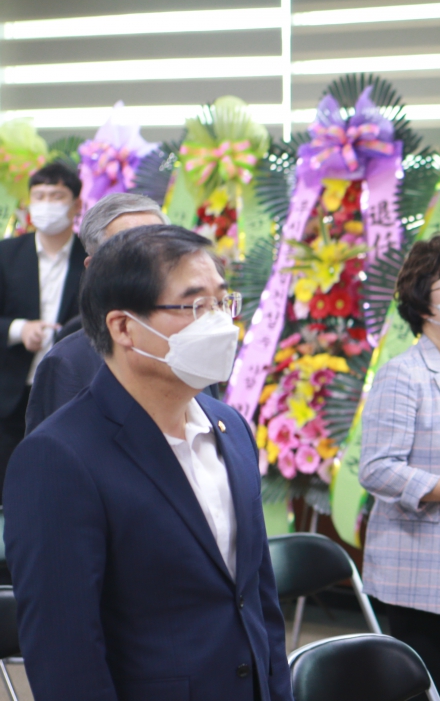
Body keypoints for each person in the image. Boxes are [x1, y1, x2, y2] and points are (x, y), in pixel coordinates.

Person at [3, 225, 291, 701]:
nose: (220, 321)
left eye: (222, 301)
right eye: (195, 305)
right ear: (123, 327)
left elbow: (258, 599)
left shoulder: (230, 427)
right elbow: (65, 652)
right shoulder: (60, 456)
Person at [359, 235, 440, 701]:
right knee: (429, 689)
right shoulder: (403, 374)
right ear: (424, 306)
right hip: (421, 569)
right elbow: (376, 468)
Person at [25, 192, 170, 434]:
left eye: (160, 247)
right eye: (130, 250)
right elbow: (49, 460)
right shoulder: (69, 363)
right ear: (94, 268)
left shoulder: (187, 343)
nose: (150, 262)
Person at [0, 163, 86, 493]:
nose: (47, 203)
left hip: (70, 394)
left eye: (57, 195)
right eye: (40, 196)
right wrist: (18, 329)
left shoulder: (92, 258)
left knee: (57, 485)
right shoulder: (7, 254)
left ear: (77, 204)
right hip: (10, 396)